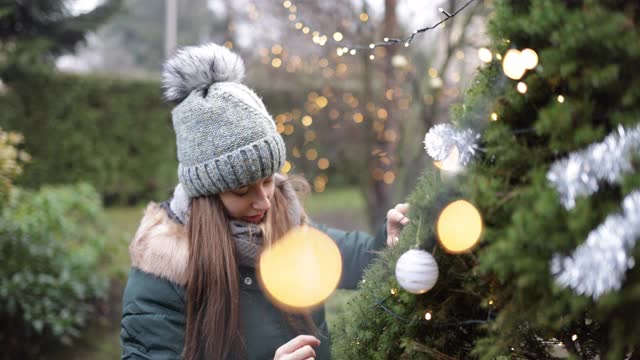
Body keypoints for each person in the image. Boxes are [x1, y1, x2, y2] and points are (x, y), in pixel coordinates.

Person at [120, 43, 409, 360]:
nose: (264, 201)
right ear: (206, 193)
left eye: (268, 180)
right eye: (242, 191)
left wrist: (390, 241)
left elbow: (355, 257)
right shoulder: (164, 274)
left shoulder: (287, 228)